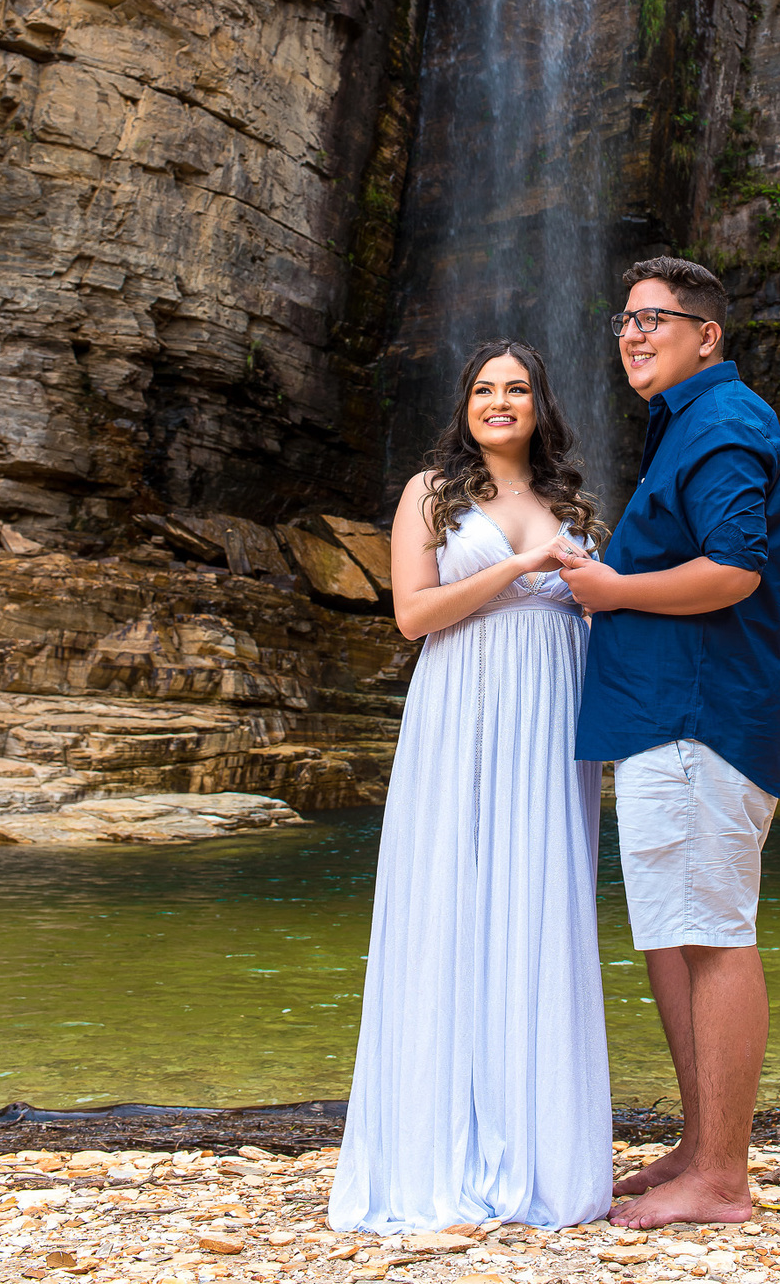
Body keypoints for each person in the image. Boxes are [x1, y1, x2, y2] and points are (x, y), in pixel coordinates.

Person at [329, 340, 612, 1234]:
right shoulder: (430, 493)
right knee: (451, 899)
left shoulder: (571, 500)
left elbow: (602, 611)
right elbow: (414, 614)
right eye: (485, 389)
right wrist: (517, 569)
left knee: (540, 906)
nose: (500, 401)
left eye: (517, 388)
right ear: (464, 405)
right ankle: (434, 1160)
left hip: (555, 725)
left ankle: (537, 1159)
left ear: (540, 405)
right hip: (465, 711)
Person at [560, 256, 780, 1229]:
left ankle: (723, 1178)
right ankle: (700, 1149)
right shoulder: (683, 429)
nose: (634, 333)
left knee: (710, 934)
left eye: (658, 318)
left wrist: (610, 590)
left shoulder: (726, 422)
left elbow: (734, 570)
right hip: (666, 723)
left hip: (702, 720)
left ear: (710, 336)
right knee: (674, 931)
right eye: (624, 318)